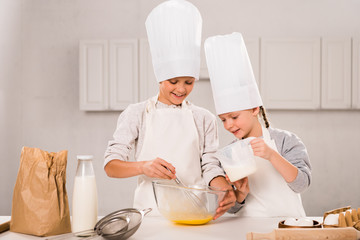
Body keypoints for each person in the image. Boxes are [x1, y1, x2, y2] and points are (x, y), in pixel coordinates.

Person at [104, 0, 235, 219]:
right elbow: (111, 166)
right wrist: (144, 166)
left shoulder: (205, 119)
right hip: (149, 216)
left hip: (194, 216)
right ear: (159, 77)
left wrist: (224, 188)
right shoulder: (136, 114)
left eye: (189, 82)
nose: (181, 89)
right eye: (173, 81)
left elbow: (210, 166)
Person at [204, 32, 312, 217]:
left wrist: (271, 155)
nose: (228, 125)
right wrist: (240, 195)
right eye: (223, 119)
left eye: (234, 117)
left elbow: (301, 184)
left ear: (255, 109)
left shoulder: (286, 141)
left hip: (288, 225)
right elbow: (231, 208)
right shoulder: (230, 153)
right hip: (248, 229)